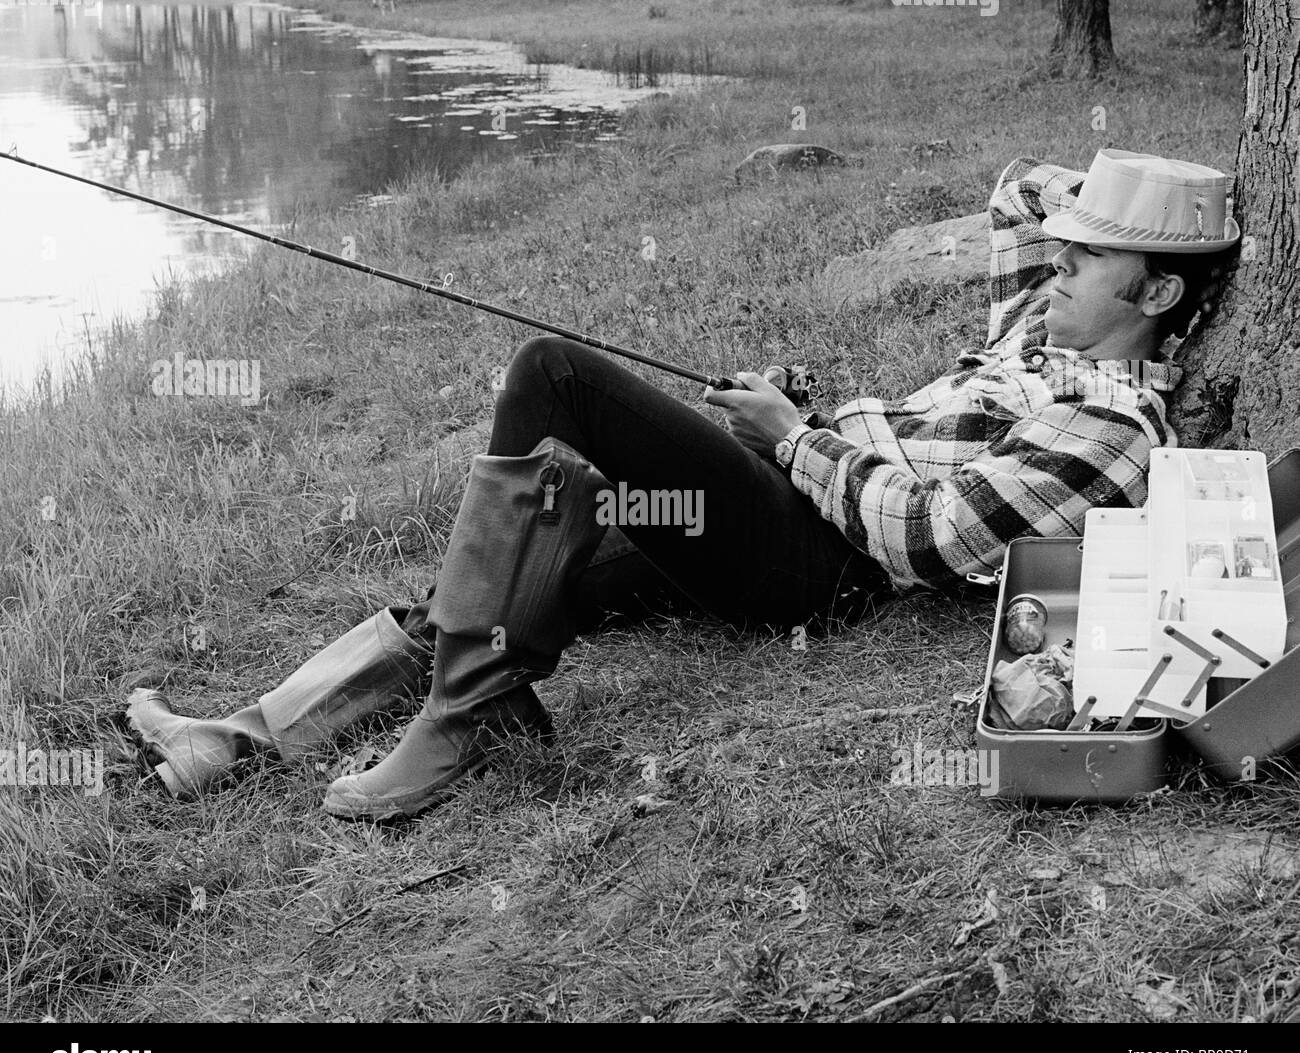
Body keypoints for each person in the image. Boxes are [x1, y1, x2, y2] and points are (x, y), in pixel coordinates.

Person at [128, 147, 1240, 819]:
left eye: (1085, 260)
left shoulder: (1106, 425)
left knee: (551, 378)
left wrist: (791, 435)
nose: (1054, 264)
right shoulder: (1034, 328)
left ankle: (457, 720)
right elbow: (1018, 190)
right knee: (547, 534)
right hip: (782, 498)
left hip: (822, 566)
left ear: (1152, 299)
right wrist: (1149, 209)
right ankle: (243, 738)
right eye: (1066, 247)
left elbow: (936, 537)